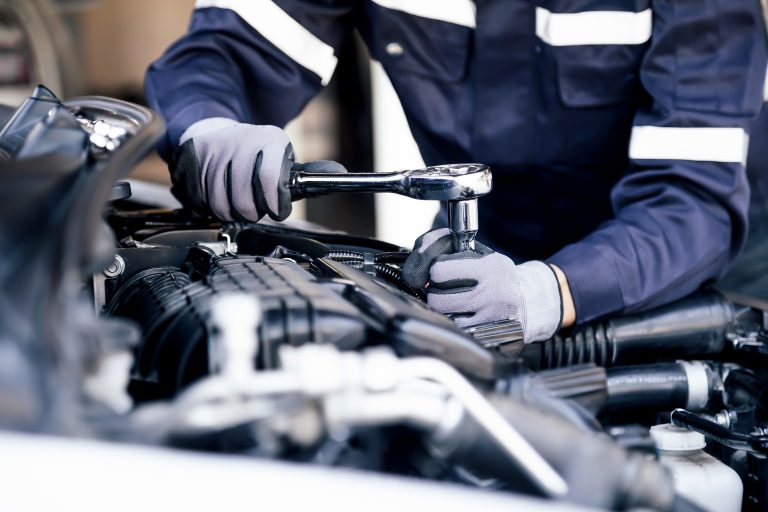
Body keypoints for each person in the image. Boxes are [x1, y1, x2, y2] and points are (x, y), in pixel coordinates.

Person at [146, 1, 767, 343]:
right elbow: (228, 51)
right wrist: (209, 127)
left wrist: (547, 293)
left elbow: (693, 201)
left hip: (702, 253)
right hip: (501, 254)